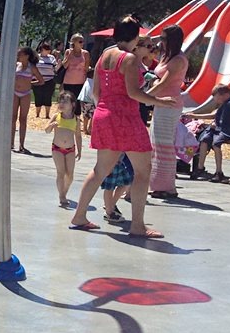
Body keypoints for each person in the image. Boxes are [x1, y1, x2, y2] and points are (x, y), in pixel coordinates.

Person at [69, 19, 178, 237]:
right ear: (135, 37)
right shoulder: (128, 59)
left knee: (100, 169)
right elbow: (133, 93)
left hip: (104, 114)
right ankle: (137, 225)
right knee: (143, 170)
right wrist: (160, 101)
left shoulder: (105, 55)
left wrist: (107, 107)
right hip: (125, 118)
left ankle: (79, 214)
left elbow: (97, 92)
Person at [148, 25, 188, 199]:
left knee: (164, 145)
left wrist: (143, 97)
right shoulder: (167, 56)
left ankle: (167, 186)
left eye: (163, 39)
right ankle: (158, 184)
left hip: (170, 104)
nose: (161, 42)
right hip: (161, 102)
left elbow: (165, 83)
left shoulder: (178, 59)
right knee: (157, 144)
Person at [189, 85, 230, 184]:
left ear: (224, 95)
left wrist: (216, 126)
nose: (215, 99)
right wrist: (194, 115)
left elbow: (226, 122)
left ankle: (219, 172)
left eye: (217, 96)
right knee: (204, 140)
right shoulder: (224, 103)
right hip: (220, 128)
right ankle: (200, 168)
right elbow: (215, 115)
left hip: (229, 130)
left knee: (216, 143)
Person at [47, 91, 83, 208]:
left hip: (70, 149)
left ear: (72, 104)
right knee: (60, 172)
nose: (61, 104)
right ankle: (61, 196)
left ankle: (64, 192)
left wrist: (79, 150)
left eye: (65, 102)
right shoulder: (56, 117)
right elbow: (47, 130)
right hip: (57, 148)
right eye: (60, 101)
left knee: (70, 174)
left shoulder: (76, 120)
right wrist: (51, 125)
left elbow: (78, 136)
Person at [10, 47, 45, 153]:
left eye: (20, 54)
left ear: (27, 56)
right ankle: (11, 142)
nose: (18, 56)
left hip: (25, 94)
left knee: (23, 119)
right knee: (13, 117)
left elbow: (41, 81)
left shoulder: (32, 67)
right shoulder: (17, 65)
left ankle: (21, 144)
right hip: (15, 92)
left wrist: (30, 84)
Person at [59, 34, 90, 117]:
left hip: (80, 81)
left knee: (77, 103)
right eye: (80, 41)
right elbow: (65, 65)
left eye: (83, 41)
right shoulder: (68, 52)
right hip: (68, 81)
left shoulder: (85, 53)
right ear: (74, 42)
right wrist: (70, 55)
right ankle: (66, 118)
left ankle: (77, 121)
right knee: (67, 101)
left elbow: (86, 68)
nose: (82, 43)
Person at [33, 41, 57, 118]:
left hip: (49, 80)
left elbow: (55, 68)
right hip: (37, 80)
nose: (49, 51)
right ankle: (37, 114)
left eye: (49, 49)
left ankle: (47, 115)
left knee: (48, 97)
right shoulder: (36, 57)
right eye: (47, 49)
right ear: (42, 49)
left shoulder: (52, 57)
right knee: (38, 96)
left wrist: (58, 65)